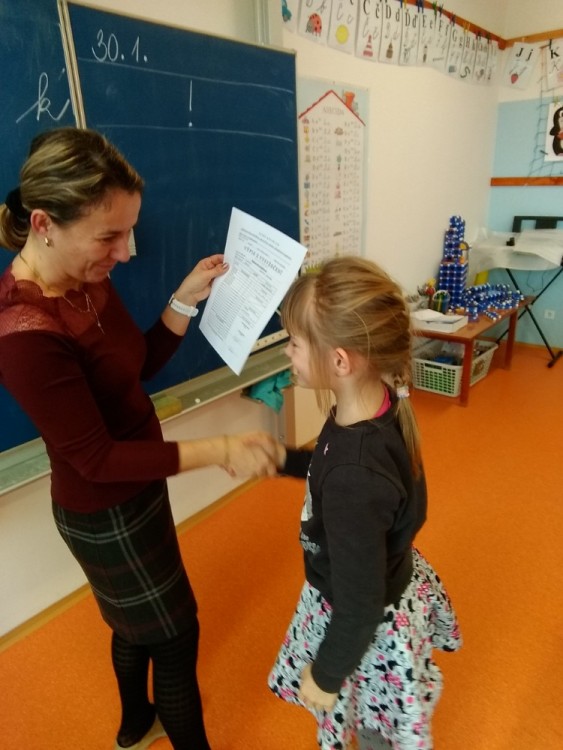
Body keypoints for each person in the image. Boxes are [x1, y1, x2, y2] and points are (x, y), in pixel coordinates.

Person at [0, 127, 281, 750]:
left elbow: (139, 364)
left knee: (135, 625)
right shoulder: (24, 332)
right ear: (44, 224)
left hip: (141, 484)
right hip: (104, 510)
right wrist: (222, 449)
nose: (125, 253)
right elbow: (97, 458)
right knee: (175, 635)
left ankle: (134, 726)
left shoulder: (85, 278)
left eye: (128, 231)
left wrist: (183, 299)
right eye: (109, 236)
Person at [268, 257, 462, 750]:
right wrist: (284, 460)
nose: (287, 352)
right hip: (385, 586)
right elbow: (337, 466)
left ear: (340, 361)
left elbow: (358, 603)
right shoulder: (378, 402)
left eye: (294, 343)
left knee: (377, 729)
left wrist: (326, 675)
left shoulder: (354, 477)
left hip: (364, 623)